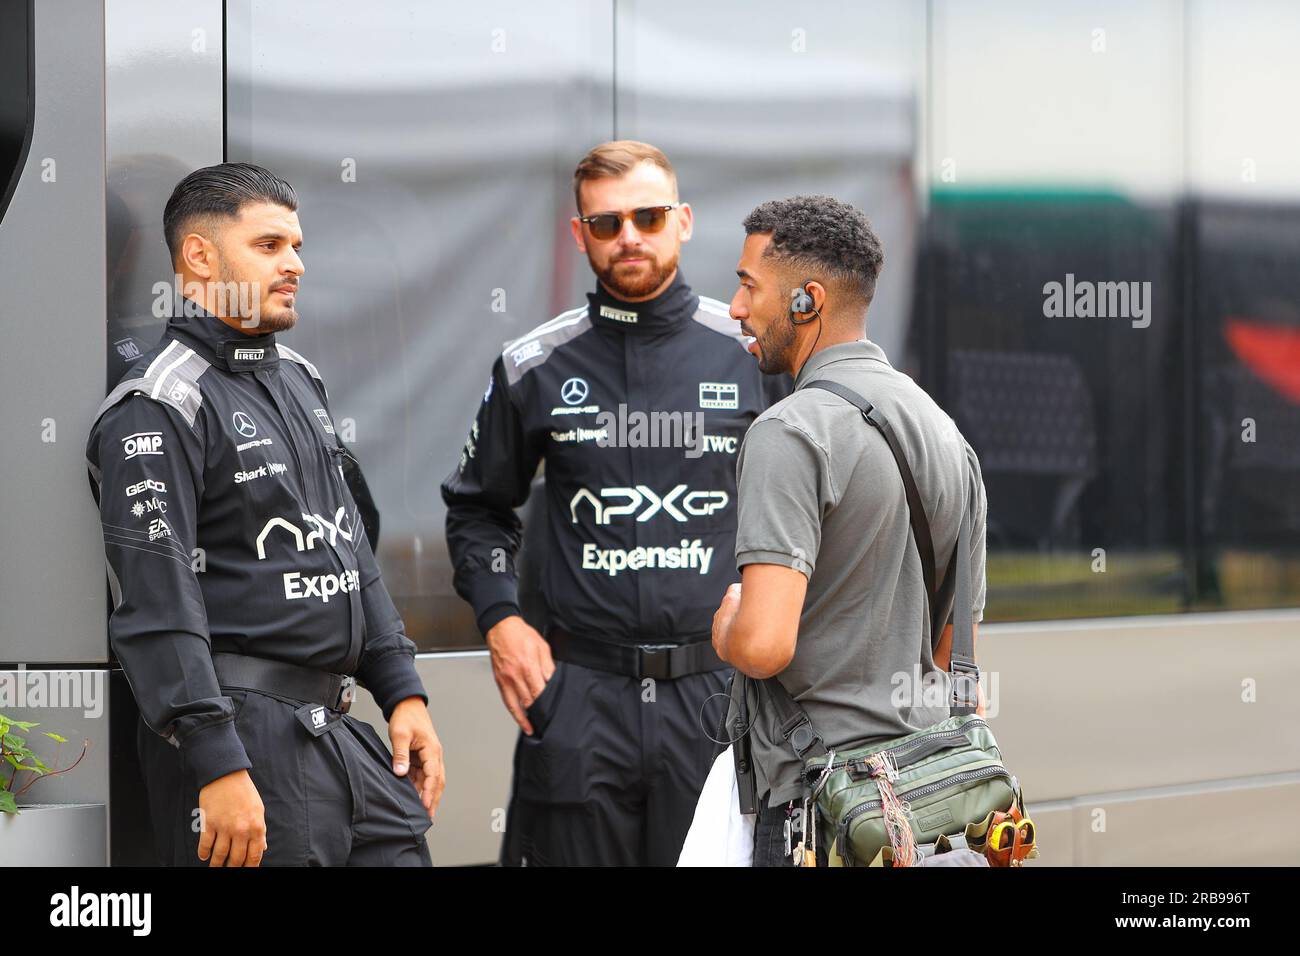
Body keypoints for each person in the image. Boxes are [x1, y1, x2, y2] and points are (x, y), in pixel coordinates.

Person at [86, 163, 444, 866]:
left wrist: (403, 692)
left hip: (339, 732)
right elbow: (156, 606)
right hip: (243, 742)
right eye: (270, 246)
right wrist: (216, 761)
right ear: (199, 256)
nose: (296, 265)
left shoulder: (299, 378)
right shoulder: (156, 406)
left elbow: (348, 550)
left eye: (298, 246)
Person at [441, 141, 788, 865]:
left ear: (683, 221)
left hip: (716, 695)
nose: (629, 236)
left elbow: (819, 509)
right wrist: (501, 622)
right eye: (606, 224)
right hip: (580, 700)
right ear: (580, 235)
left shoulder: (752, 353)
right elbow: (477, 509)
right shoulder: (533, 364)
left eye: (648, 216)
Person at [710, 194, 989, 867]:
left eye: (749, 285)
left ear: (807, 301)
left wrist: (728, 623)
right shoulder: (945, 432)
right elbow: (957, 667)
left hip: (826, 815)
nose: (736, 308)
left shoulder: (788, 432)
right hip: (930, 809)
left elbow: (765, 645)